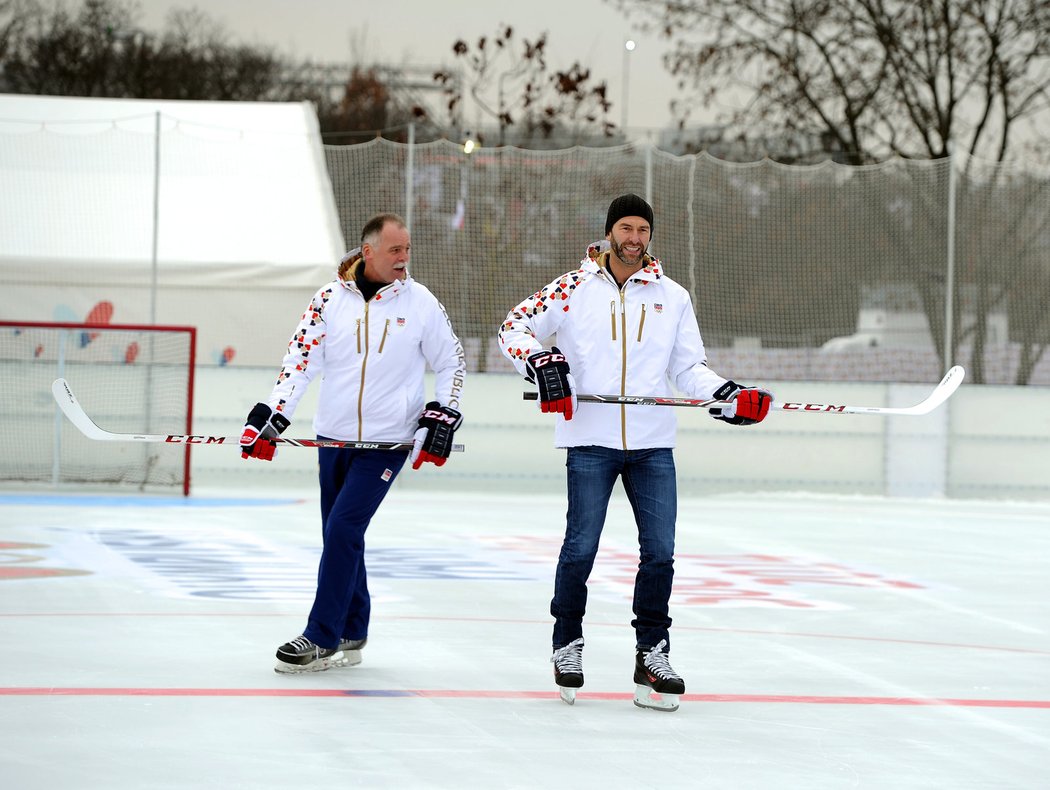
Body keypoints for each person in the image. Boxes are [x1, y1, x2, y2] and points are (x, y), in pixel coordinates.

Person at [497, 193, 772, 711]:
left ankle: (652, 654)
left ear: (650, 237)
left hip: (651, 445)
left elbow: (689, 370)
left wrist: (730, 398)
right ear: (608, 232)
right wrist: (544, 362)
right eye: (625, 228)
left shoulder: (673, 296)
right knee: (580, 548)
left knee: (660, 554)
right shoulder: (573, 288)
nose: (634, 238)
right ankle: (567, 645)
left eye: (642, 230)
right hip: (590, 440)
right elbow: (513, 327)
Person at [241, 212, 466, 674]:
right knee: (340, 534)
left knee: (343, 529)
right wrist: (274, 415)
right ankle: (354, 628)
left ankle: (322, 636)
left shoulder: (420, 302)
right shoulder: (328, 300)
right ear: (367, 252)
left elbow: (452, 361)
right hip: (333, 440)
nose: (404, 258)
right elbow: (299, 362)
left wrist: (442, 413)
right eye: (395, 250)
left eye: (407, 249)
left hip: (388, 443)